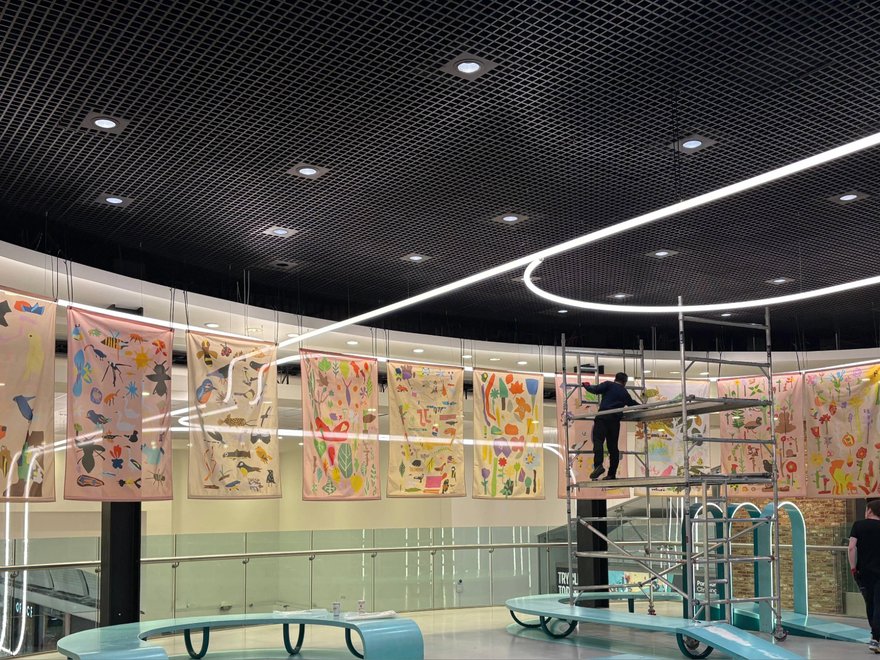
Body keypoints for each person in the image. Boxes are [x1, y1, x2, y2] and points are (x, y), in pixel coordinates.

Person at [582, 372, 638, 480]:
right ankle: (612, 474)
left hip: (603, 417)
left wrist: (586, 386)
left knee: (598, 441)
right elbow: (631, 403)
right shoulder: (624, 392)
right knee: (613, 447)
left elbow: (595, 390)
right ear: (624, 382)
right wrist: (643, 407)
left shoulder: (608, 385)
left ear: (615, 379)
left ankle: (598, 466)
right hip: (615, 420)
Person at [850, 499, 880, 653]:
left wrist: (853, 568)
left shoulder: (858, 525)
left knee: (870, 604)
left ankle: (875, 637)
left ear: (869, 511)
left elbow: (851, 548)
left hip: (864, 572)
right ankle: (876, 638)